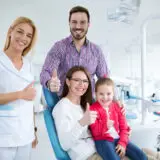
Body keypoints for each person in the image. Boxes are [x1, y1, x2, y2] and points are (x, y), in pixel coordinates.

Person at [40, 5, 108, 96]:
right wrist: (49, 83)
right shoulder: (59, 47)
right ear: (69, 23)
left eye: (82, 22)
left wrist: (114, 100)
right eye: (74, 22)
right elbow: (45, 72)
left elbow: (104, 80)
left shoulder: (96, 51)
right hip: (65, 103)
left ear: (89, 24)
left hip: (89, 103)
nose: (78, 26)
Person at [0, 17, 38, 160]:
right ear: (10, 32)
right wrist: (20, 94)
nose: (23, 38)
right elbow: (25, 95)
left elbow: (31, 100)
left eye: (29, 35)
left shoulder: (29, 65)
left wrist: (34, 130)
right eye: (20, 32)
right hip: (3, 136)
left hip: (26, 135)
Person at [89, 77, 147, 160]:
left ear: (113, 94)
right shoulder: (93, 109)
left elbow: (124, 128)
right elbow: (95, 132)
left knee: (142, 156)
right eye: (101, 94)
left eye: (108, 94)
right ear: (95, 94)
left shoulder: (117, 107)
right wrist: (105, 126)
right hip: (103, 141)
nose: (105, 97)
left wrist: (122, 143)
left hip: (118, 138)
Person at [52, 66, 102, 160]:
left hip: (101, 149)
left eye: (85, 81)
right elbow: (65, 144)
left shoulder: (85, 104)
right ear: (68, 82)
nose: (81, 84)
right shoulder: (62, 107)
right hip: (88, 156)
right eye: (77, 80)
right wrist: (82, 122)